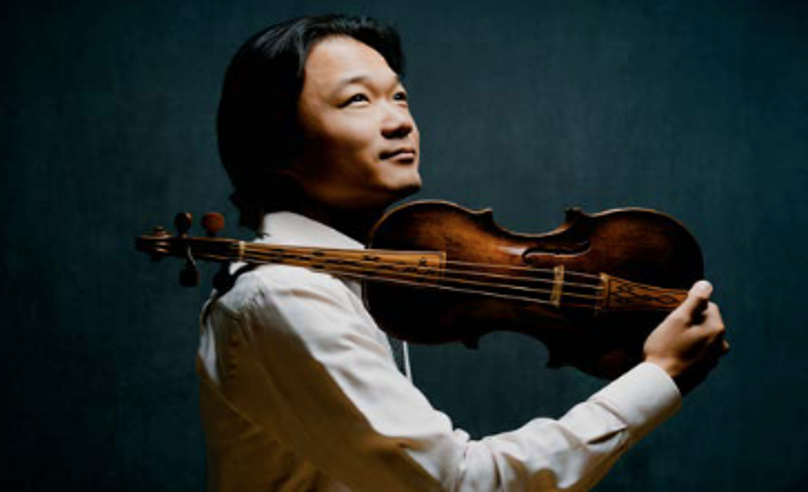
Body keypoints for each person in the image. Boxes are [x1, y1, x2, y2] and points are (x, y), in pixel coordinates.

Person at [197, 14, 729, 491]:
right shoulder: (284, 294)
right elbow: (460, 484)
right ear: (277, 143)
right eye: (357, 100)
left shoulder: (353, 280)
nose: (400, 121)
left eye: (399, 96)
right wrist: (658, 377)